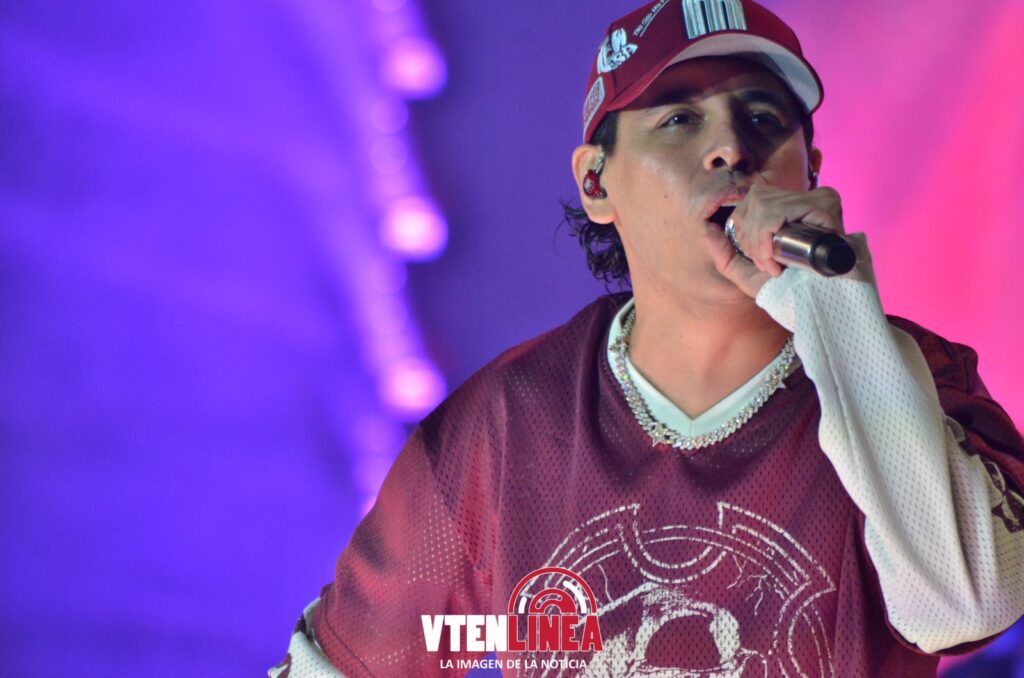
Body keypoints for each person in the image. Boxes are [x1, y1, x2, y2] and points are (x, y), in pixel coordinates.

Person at [272, 1, 1024, 675]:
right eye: (679, 120)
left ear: (811, 171)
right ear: (596, 183)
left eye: (765, 119)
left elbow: (966, 608)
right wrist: (520, 635)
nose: (731, 148)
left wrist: (834, 304)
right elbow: (361, 660)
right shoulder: (507, 423)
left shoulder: (915, 378)